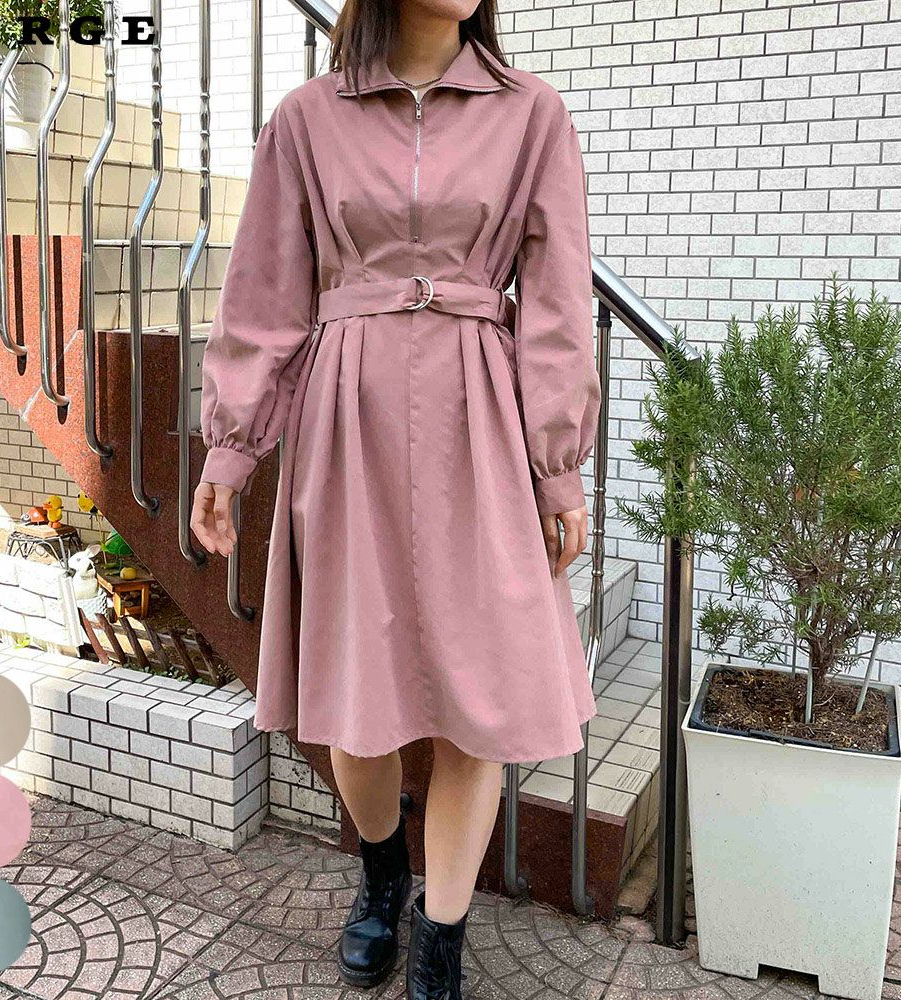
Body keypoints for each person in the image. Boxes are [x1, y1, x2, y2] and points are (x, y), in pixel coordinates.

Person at [190, 1, 600, 996]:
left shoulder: (532, 114)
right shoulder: (306, 118)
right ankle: (381, 870)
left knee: (480, 700)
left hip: (482, 423)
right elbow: (264, 295)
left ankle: (441, 936)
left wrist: (559, 464)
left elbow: (556, 301)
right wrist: (231, 452)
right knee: (351, 699)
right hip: (347, 421)